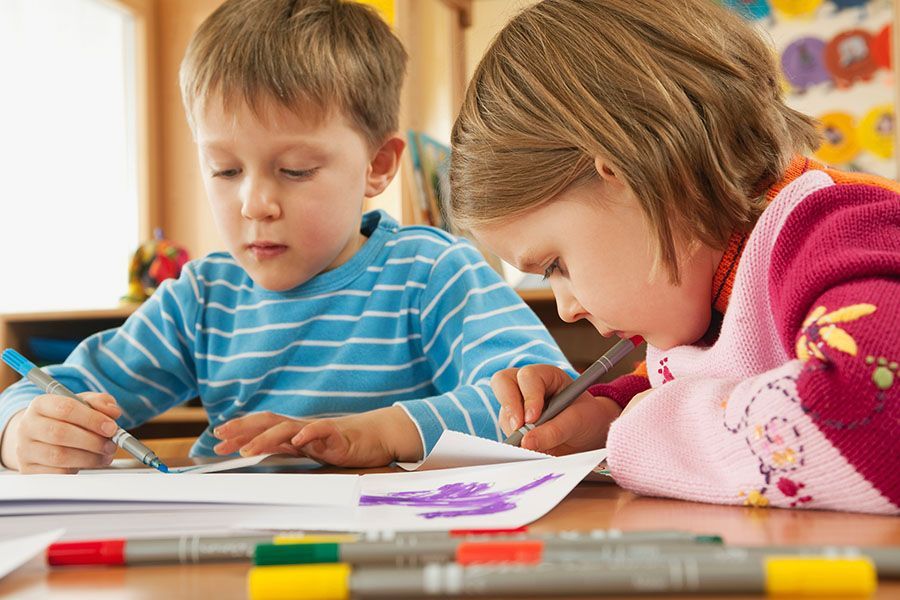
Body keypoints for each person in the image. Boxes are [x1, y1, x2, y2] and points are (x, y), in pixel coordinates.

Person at [0, 0, 572, 474]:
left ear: (377, 164)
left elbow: (544, 400)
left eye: (295, 170)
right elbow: (56, 388)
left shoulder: (432, 273)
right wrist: (24, 429)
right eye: (224, 170)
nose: (254, 204)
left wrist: (384, 430)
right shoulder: (201, 298)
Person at [447, 0, 898, 513]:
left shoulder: (841, 230)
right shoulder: (709, 289)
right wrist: (604, 416)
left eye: (555, 266)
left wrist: (641, 430)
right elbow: (709, 382)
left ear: (632, 174)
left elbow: (875, 419)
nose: (567, 308)